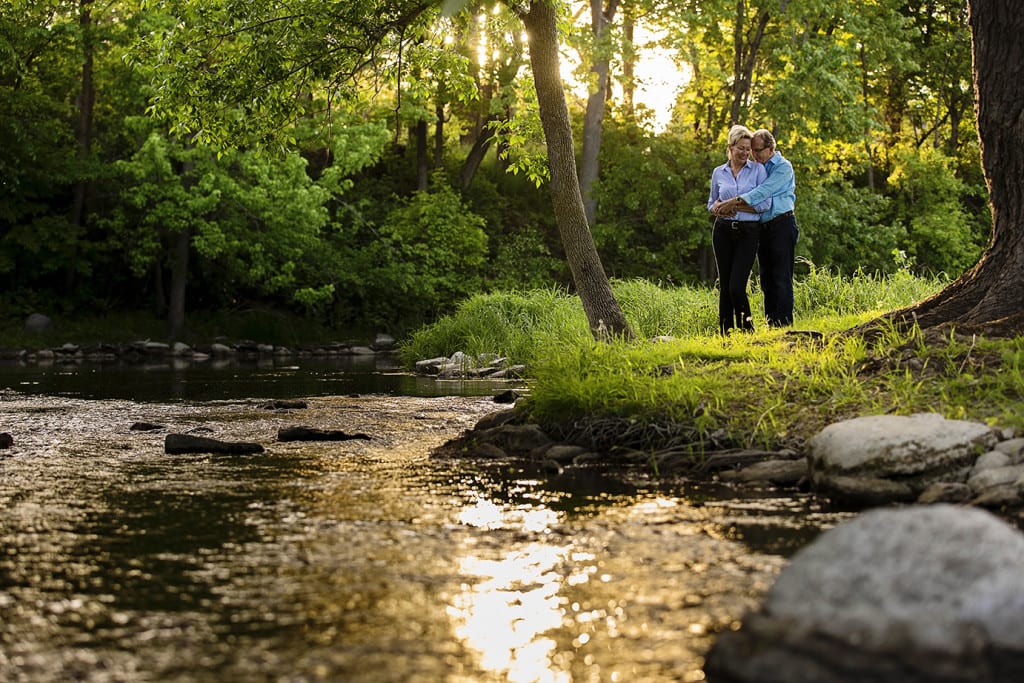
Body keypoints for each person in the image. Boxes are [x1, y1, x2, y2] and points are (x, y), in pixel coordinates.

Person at [718, 129, 798, 327]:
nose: (753, 155)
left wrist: (733, 202)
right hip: (763, 228)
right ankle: (772, 324)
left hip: (782, 224)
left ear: (771, 148)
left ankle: (785, 324)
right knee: (767, 279)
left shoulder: (782, 167)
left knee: (781, 277)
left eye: (757, 150)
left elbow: (763, 193)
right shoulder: (757, 167)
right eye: (751, 150)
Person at [707, 125, 770, 335]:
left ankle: (748, 330)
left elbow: (764, 205)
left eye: (747, 149)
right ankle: (725, 334)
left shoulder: (758, 171)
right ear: (730, 147)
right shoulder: (719, 172)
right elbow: (711, 203)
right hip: (722, 231)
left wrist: (732, 205)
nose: (745, 153)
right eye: (741, 148)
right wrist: (716, 208)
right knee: (725, 286)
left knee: (736, 286)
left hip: (748, 232)